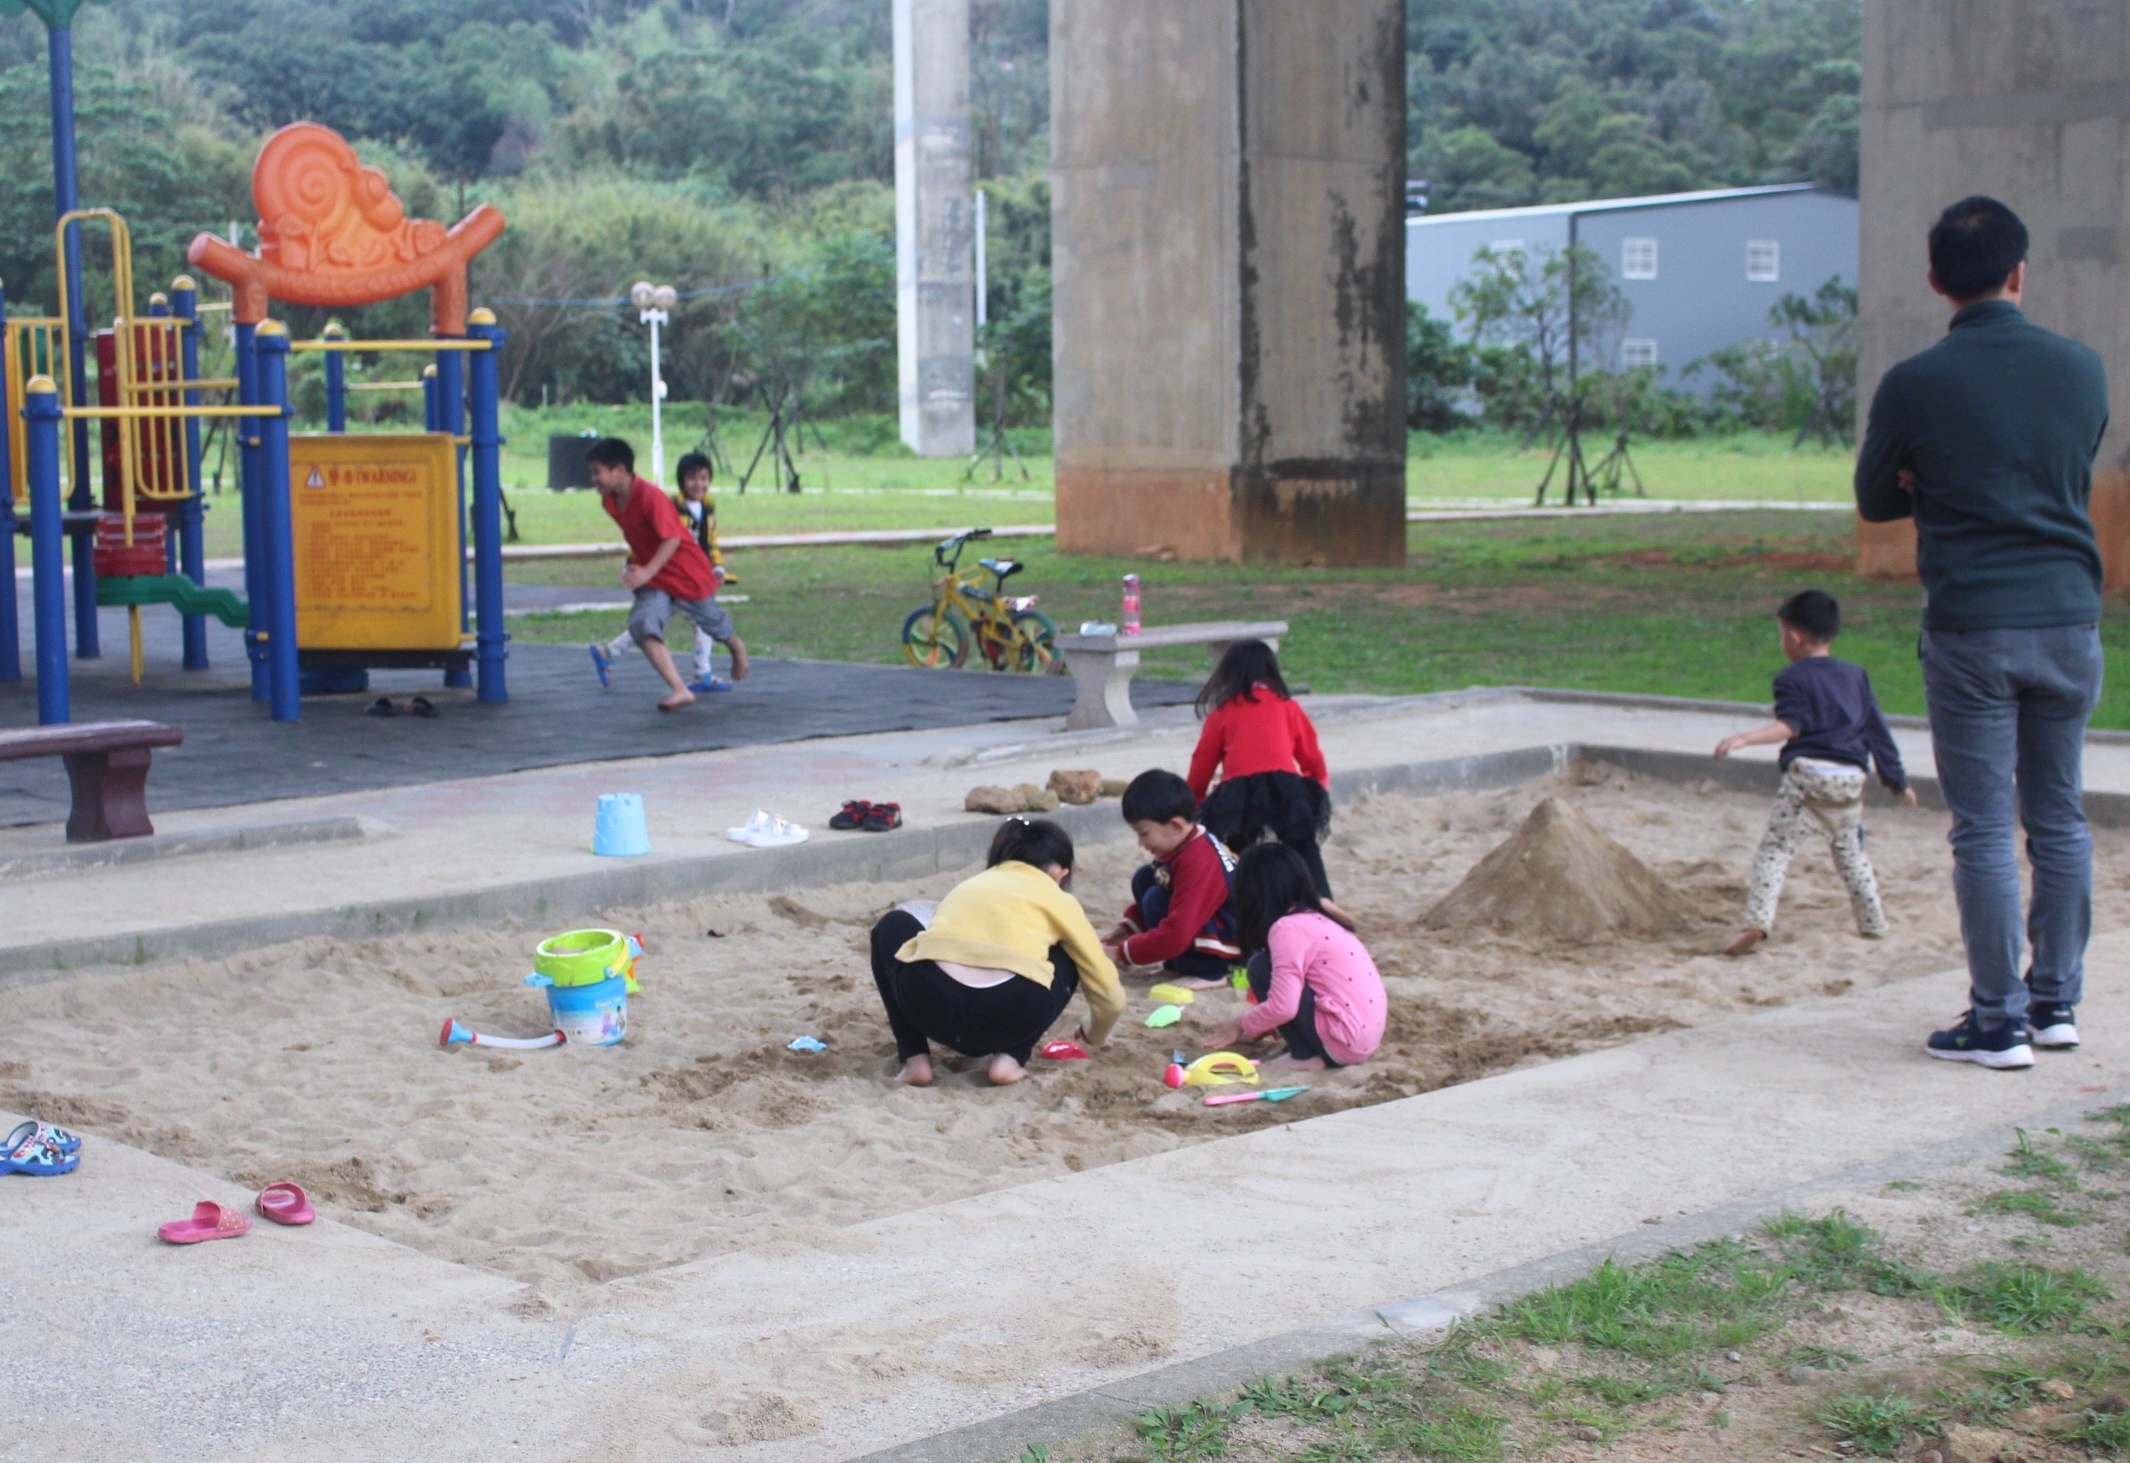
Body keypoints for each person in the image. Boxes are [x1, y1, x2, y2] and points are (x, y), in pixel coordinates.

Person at [1856, 195, 2110, 1070]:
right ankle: (2057, 1004)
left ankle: (1996, 1020)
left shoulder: (1915, 383)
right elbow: (2069, 465)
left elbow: (1876, 498)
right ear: (2020, 271)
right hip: (2070, 620)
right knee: (2059, 816)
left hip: (1971, 627)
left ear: (1935, 280)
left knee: (1981, 828)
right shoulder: (2083, 370)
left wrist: (1930, 480)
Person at [1714, 591, 1917, 957]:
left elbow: (1790, 725)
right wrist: (1896, 781)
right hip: (1850, 781)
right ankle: (1873, 923)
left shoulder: (1792, 678)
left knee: (1776, 851)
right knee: (1851, 853)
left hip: (1807, 779)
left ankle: (1758, 922)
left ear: (1793, 636)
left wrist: (1745, 738)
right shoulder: (1856, 676)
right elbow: (1877, 732)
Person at [869, 818, 1123, 1087]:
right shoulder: (1060, 899)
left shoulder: (971, 884)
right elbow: (1110, 996)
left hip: (931, 1004)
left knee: (891, 925)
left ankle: (914, 1058)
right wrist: (1094, 1033)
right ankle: (1011, 1059)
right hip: (1008, 1015)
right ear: (1061, 873)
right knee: (1071, 950)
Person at [583, 438, 750, 711]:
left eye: (597, 471)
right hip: (653, 574)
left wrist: (647, 569)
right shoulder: (609, 501)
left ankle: (735, 645)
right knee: (643, 624)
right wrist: (637, 566)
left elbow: (671, 539)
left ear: (620, 470)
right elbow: (639, 535)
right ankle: (680, 689)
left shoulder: (650, 496)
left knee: (710, 620)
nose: (593, 479)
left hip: (683, 568)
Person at [1202, 843, 1385, 1072]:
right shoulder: (1315, 915)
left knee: (1260, 967)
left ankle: (1303, 1055)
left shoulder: (1286, 928)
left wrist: (1239, 1024)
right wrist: (1257, 1028)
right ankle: (1308, 1047)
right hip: (1363, 1036)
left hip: (1344, 1039)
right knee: (1277, 971)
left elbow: (1284, 1007)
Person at [1188, 639, 1343, 908]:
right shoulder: (1287, 707)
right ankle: (1322, 902)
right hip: (1284, 789)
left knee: (1238, 850)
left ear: (1228, 674)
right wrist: (1317, 788)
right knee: (1304, 846)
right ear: (1271, 672)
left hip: (1240, 794)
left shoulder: (1222, 713)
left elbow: (1202, 763)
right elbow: (1311, 754)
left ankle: (1245, 906)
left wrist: (1196, 798)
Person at [1102, 769, 1242, 989]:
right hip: (1212, 920)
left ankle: (1209, 972)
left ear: (1175, 826)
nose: (1140, 843)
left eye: (1144, 833)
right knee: (1146, 878)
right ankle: (1182, 964)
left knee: (1156, 900)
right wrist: (1125, 932)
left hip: (1235, 938)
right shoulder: (1182, 843)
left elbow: (1177, 932)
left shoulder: (1200, 859)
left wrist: (1119, 954)